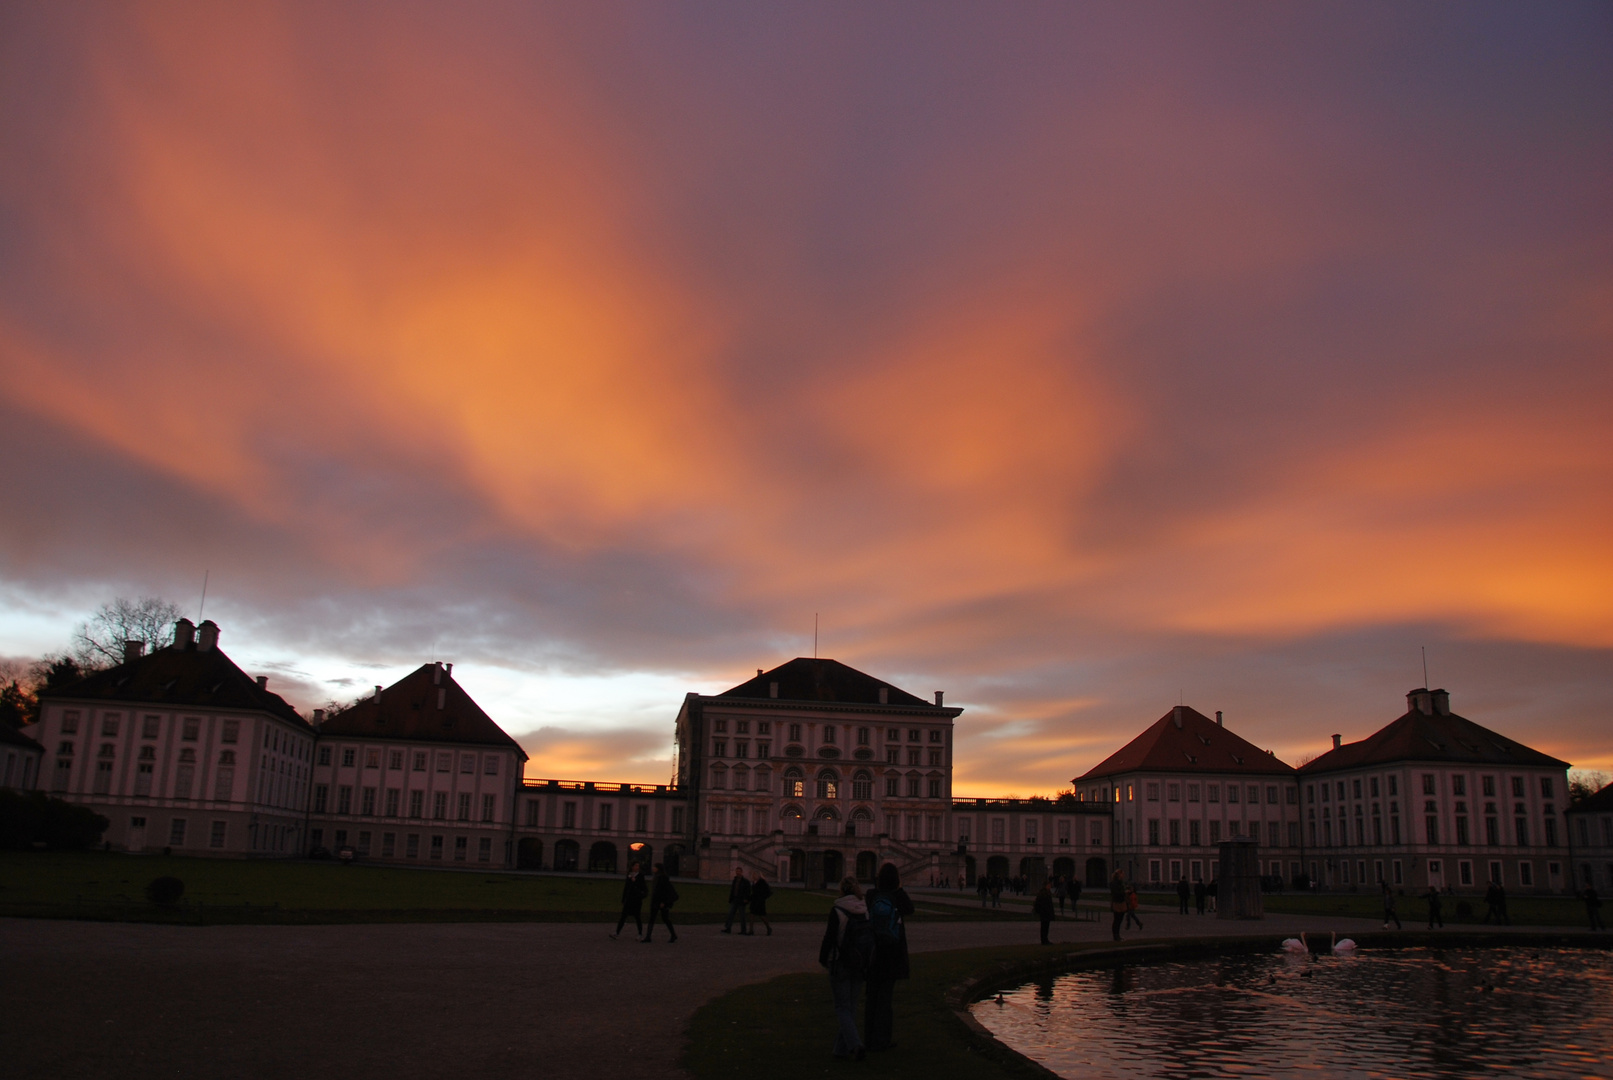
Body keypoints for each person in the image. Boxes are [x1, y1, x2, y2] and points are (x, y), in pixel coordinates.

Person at [818, 876, 871, 1061]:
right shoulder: (865, 910)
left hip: (840, 962)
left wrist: (823, 959)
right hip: (859, 962)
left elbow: (829, 938)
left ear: (841, 890)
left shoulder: (838, 909)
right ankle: (840, 1050)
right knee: (851, 1006)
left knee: (842, 1007)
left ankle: (855, 1045)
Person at [864, 862, 913, 1052]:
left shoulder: (871, 896)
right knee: (885, 999)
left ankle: (869, 1038)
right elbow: (910, 909)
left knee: (872, 998)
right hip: (892, 952)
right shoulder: (897, 897)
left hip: (873, 951)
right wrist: (899, 889)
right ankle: (882, 1039)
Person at [610, 862, 647, 940]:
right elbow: (626, 888)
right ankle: (617, 932)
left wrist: (635, 883)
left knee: (637, 917)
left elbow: (644, 888)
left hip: (636, 900)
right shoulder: (629, 875)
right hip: (629, 899)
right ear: (632, 867)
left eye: (638, 866)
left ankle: (640, 934)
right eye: (636, 865)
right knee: (623, 917)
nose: (637, 867)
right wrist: (623, 899)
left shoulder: (640, 876)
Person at [643, 862, 678, 943]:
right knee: (656, 918)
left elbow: (663, 891)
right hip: (656, 900)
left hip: (659, 901)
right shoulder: (658, 877)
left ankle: (673, 935)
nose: (653, 868)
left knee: (663, 918)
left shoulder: (662, 878)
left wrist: (663, 901)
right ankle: (648, 936)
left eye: (654, 867)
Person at [721, 867, 751, 935]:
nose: (738, 873)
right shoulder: (735, 880)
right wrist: (731, 899)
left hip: (741, 900)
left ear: (741, 872)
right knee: (730, 914)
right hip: (735, 899)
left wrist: (746, 899)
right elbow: (733, 890)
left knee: (742, 916)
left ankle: (743, 930)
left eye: (739, 871)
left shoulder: (745, 881)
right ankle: (728, 928)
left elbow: (748, 891)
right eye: (737, 871)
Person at [747, 869, 773, 936]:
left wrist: (762, 898)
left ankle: (768, 927)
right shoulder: (754, 882)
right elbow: (754, 893)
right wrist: (749, 899)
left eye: (755, 874)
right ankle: (751, 930)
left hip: (760, 901)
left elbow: (768, 892)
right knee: (752, 915)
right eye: (754, 874)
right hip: (754, 901)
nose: (754, 876)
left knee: (762, 916)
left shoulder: (762, 882)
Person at [1109, 870, 1127, 941]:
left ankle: (1117, 935)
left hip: (1121, 902)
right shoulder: (1114, 883)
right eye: (1122, 874)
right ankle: (1115, 936)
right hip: (1117, 902)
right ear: (1119, 875)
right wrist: (1123, 892)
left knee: (1119, 920)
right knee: (1117, 920)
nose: (1123, 876)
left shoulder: (1121, 883)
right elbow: (1115, 892)